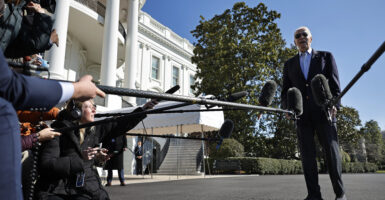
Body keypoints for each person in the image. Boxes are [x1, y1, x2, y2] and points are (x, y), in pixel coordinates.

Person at [36, 99, 157, 200]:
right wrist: (79, 159)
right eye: (89, 107)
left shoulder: (93, 130)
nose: (94, 110)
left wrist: (143, 110)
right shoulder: (57, 133)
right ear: (76, 112)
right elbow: (46, 164)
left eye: (94, 106)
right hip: (59, 189)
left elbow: (117, 124)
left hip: (88, 187)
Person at [281, 26, 346, 200]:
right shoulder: (289, 64)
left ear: (311, 38)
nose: (301, 37)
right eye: (297, 36)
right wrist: (287, 107)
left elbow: (335, 86)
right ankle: (314, 195)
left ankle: (340, 194)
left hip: (325, 113)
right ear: (294, 41)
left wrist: (336, 106)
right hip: (302, 115)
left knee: (332, 153)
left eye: (305, 35)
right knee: (307, 157)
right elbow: (285, 90)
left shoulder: (326, 57)